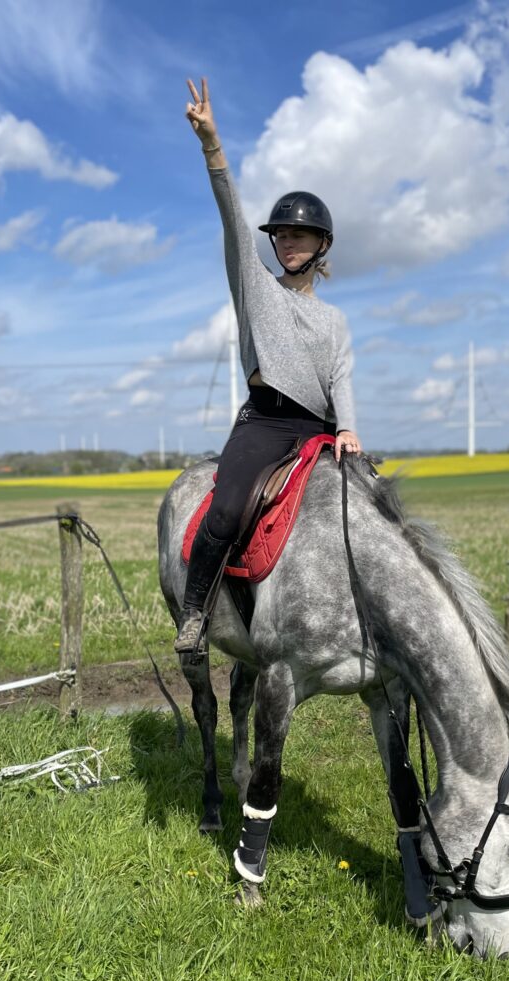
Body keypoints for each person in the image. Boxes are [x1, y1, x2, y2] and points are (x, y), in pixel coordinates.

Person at [175, 77, 362, 654]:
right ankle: (195, 613)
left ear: (322, 244)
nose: (286, 241)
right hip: (266, 423)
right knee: (228, 505)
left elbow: (340, 377)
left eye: (298, 234)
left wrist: (349, 427)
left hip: (319, 427)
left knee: (371, 507)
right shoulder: (256, 287)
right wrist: (213, 146)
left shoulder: (333, 319)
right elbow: (234, 219)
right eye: (280, 233)